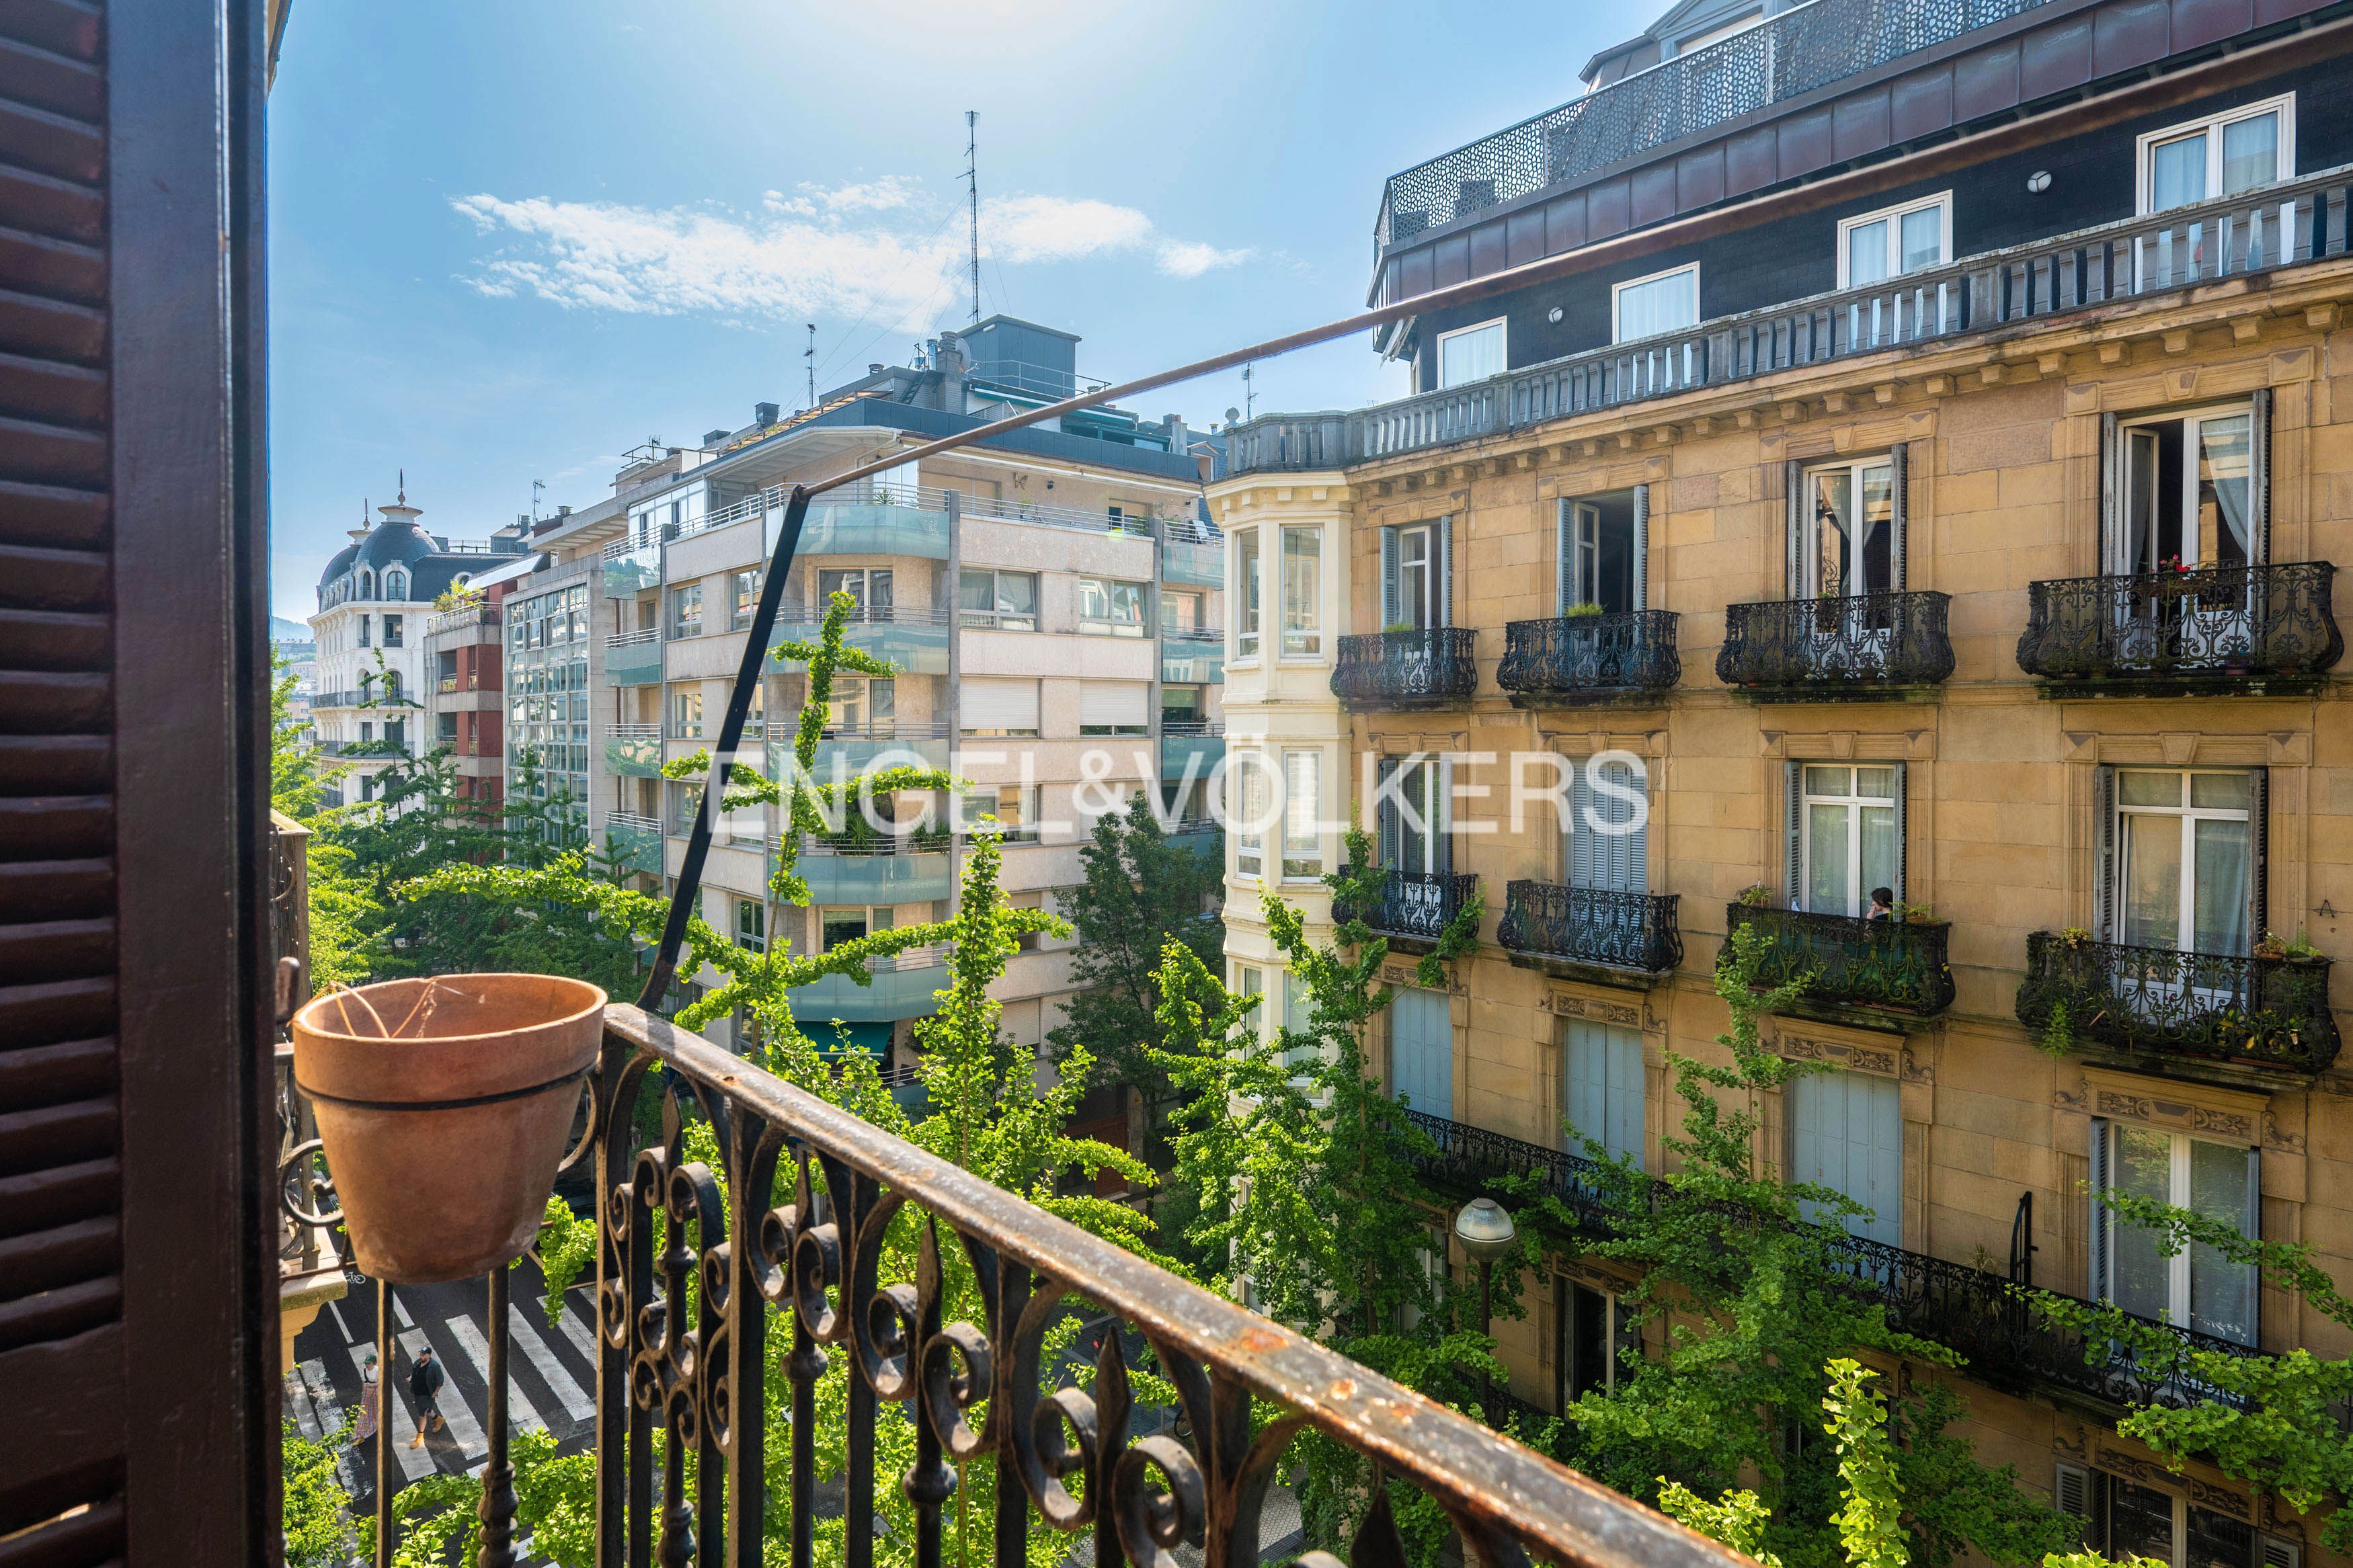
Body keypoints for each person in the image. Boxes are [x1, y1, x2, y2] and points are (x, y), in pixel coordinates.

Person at [407, 1346, 445, 1448]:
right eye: (421, 1354)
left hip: (427, 1394)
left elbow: (440, 1381)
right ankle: (438, 1419)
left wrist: (435, 1393)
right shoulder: (417, 1362)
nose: (421, 1356)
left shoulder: (434, 1366)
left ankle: (420, 1437)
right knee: (426, 1410)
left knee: (422, 1415)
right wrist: (411, 1378)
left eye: (424, 1355)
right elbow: (414, 1372)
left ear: (429, 1355)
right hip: (417, 1392)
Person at [353, 1352, 379, 1448]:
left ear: (374, 1363)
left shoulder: (378, 1371)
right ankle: (360, 1435)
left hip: (376, 1393)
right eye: (366, 1363)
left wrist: (370, 1385)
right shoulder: (366, 1371)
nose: (367, 1365)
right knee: (363, 1413)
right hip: (368, 1394)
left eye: (369, 1363)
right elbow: (366, 1382)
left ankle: (374, 1428)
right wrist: (365, 1389)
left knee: (375, 1413)